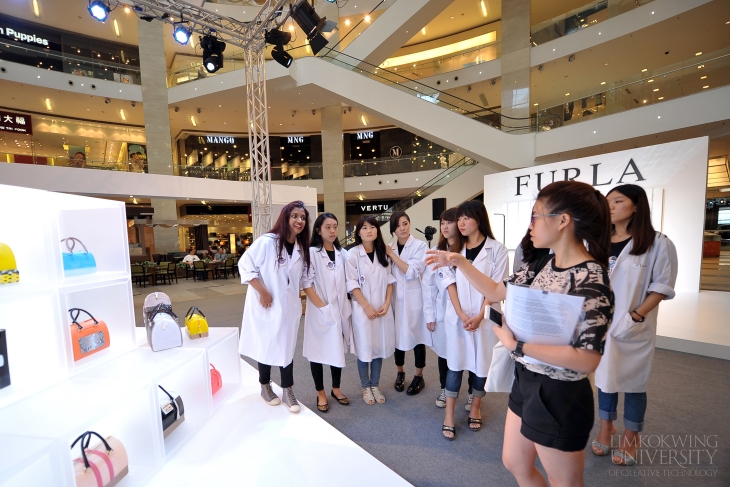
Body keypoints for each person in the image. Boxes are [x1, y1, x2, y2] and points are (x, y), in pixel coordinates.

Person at [426, 180, 614, 486]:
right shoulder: (542, 264)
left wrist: (519, 345)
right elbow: (496, 289)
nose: (531, 225)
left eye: (537, 216)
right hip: (527, 380)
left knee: (564, 481)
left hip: (559, 391)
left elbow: (586, 359)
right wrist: (459, 261)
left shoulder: (591, 277)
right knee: (514, 461)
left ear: (563, 221)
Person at [592, 184, 678, 466]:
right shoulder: (598, 240)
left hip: (633, 325)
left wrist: (637, 316)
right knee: (604, 379)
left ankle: (631, 436)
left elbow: (661, 286)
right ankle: (606, 428)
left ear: (637, 206)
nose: (611, 206)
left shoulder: (658, 243)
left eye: (618, 201)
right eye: (608, 202)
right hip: (602, 323)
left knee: (633, 384)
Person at [439, 200, 509, 440]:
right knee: (455, 365)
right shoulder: (454, 249)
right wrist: (461, 314)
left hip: (484, 317)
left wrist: (480, 314)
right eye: (459, 219)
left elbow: (498, 286)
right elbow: (448, 283)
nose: (461, 223)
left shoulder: (497, 250)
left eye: (466, 218)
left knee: (482, 365)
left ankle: (476, 407)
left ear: (479, 219)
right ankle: (449, 414)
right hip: (458, 316)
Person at [238, 201, 311, 413]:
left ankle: (288, 389)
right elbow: (245, 265)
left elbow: (303, 278)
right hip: (267, 304)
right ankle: (265, 385)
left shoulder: (301, 248)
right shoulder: (267, 242)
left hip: (289, 307)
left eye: (303, 218)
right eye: (295, 216)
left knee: (287, 347)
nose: (299, 221)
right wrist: (262, 291)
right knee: (267, 343)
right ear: (286, 218)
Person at [302, 213, 353, 413]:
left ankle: (336, 389)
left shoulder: (342, 254)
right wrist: (324, 309)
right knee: (317, 352)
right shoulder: (312, 252)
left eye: (335, 227)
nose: (332, 231)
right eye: (327, 227)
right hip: (319, 311)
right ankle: (320, 392)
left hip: (340, 310)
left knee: (336, 349)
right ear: (318, 230)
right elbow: (307, 285)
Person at [346, 215, 395, 406]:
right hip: (362, 310)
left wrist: (387, 302)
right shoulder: (353, 255)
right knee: (364, 349)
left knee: (378, 347)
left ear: (377, 230)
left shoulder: (383, 253)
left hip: (382, 309)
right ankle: (365, 386)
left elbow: (390, 280)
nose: (369, 231)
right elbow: (351, 283)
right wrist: (366, 307)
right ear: (358, 232)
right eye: (364, 228)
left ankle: (375, 385)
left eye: (372, 227)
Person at [422, 208, 467, 409]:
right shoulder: (436, 251)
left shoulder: (466, 250)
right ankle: (444, 389)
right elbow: (428, 286)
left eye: (449, 222)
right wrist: (430, 314)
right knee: (444, 353)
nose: (445, 226)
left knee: (468, 352)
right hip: (443, 310)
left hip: (466, 309)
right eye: (442, 223)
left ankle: (472, 394)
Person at [385, 211, 431, 395]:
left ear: (410, 224)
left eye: (405, 224)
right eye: (398, 226)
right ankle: (400, 372)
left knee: (418, 338)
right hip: (395, 298)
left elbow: (411, 272)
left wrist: (392, 255)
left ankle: (419, 375)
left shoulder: (420, 246)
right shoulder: (390, 247)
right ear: (393, 229)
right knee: (398, 338)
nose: (402, 228)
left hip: (414, 300)